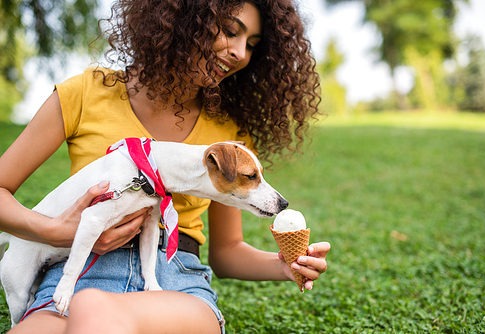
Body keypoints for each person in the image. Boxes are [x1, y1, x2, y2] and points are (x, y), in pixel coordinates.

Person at [0, 0, 330, 333]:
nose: (240, 53)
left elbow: (227, 251)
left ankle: (96, 307)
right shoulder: (84, 94)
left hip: (172, 281)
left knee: (95, 311)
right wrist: (57, 232)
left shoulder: (229, 139)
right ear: (184, 19)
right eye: (231, 31)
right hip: (78, 270)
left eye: (252, 46)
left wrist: (283, 266)